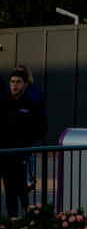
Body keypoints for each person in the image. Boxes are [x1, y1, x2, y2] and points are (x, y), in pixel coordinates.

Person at [1, 69, 47, 216]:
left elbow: (43, 126)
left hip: (21, 154)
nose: (15, 85)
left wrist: (29, 140)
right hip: (5, 154)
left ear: (25, 84)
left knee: (21, 186)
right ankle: (12, 218)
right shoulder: (3, 104)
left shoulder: (31, 105)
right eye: (12, 82)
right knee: (9, 188)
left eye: (18, 82)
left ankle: (26, 213)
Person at [13, 65, 44, 193]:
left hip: (29, 129)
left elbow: (41, 110)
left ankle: (29, 179)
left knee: (28, 155)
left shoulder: (35, 91)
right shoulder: (12, 90)